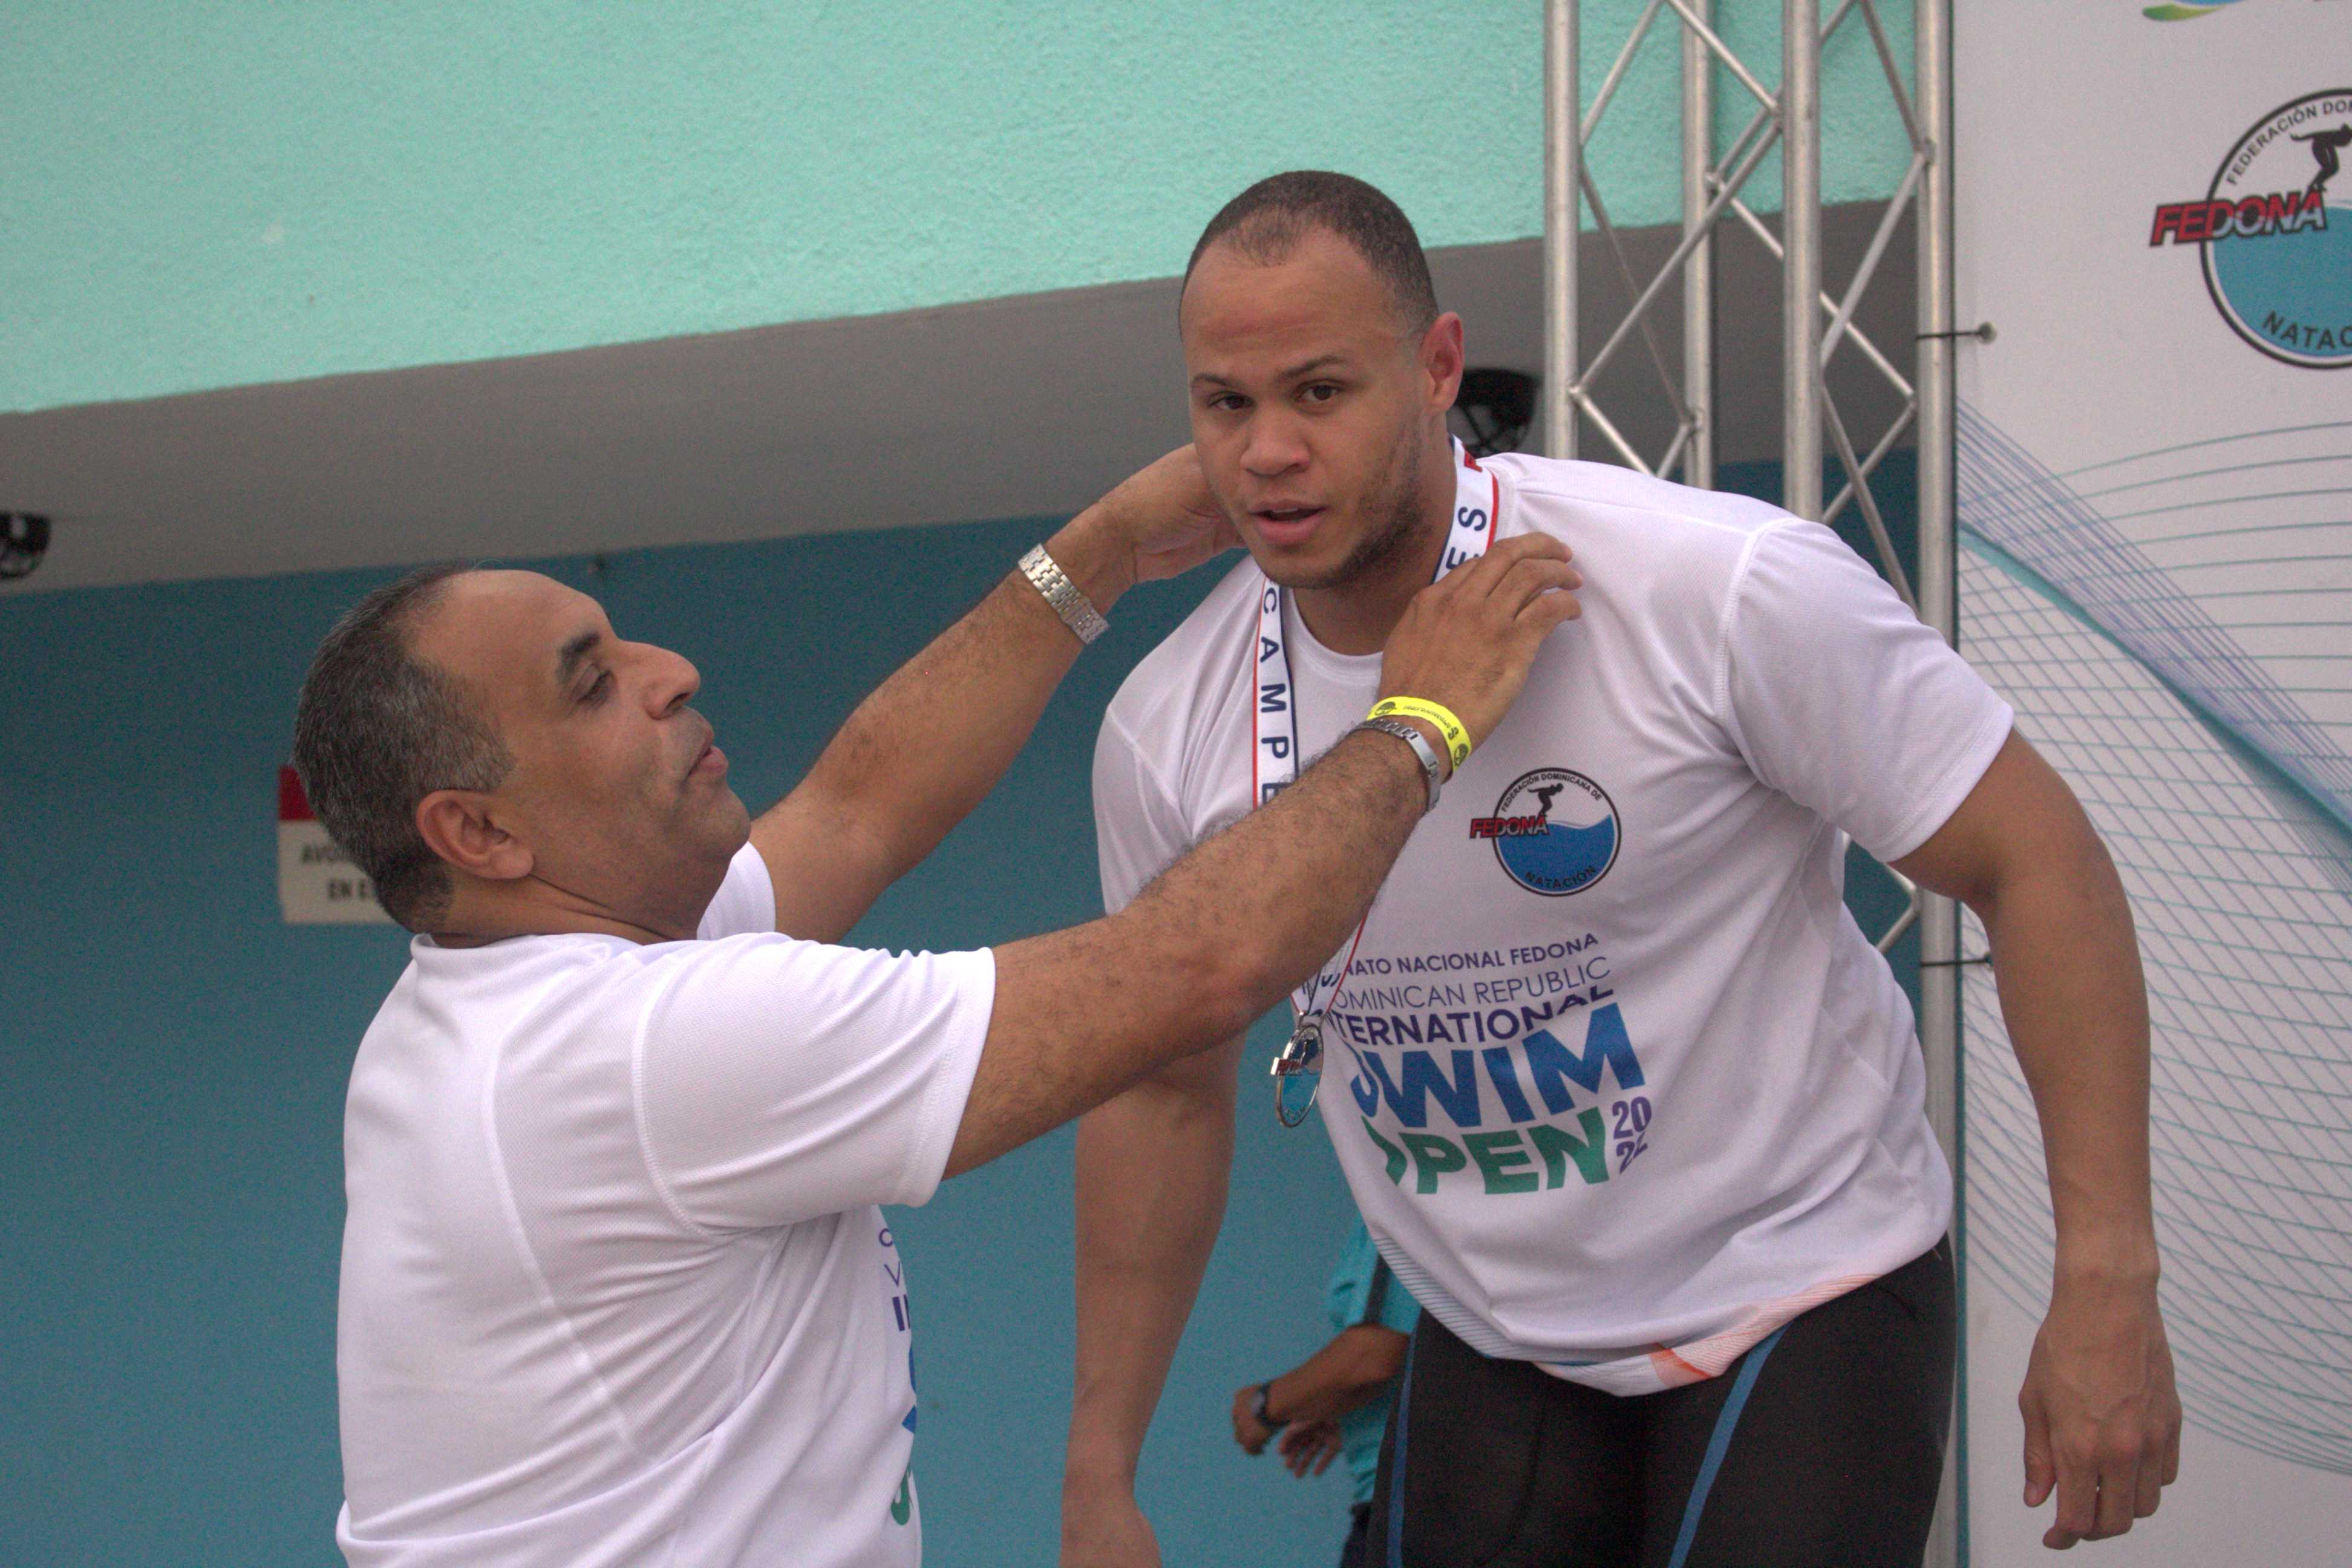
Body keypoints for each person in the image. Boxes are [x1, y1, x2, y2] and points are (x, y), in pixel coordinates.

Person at [1059, 172, 2181, 1567]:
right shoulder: (1166, 729)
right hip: (1493, 1329)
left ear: (1437, 367)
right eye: (1226, 404)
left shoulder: (1714, 585)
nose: (1268, 451)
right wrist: (1098, 1473)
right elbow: (1162, 1092)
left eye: (1320, 392)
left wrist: (2108, 1275)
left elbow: (2037, 856)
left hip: (1796, 1280)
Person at [294, 448, 1581, 1567]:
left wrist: (1101, 553)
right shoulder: (637, 1052)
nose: (670, 670)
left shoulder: (497, 997)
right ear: (477, 831)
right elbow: (1196, 966)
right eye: (590, 684)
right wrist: (1421, 717)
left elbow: (860, 807)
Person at [1227, 1220, 1421, 1568]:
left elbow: (1373, 1355)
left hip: (1412, 1512)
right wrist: (1349, 1410)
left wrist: (1264, 1405)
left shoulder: (1401, 1203)